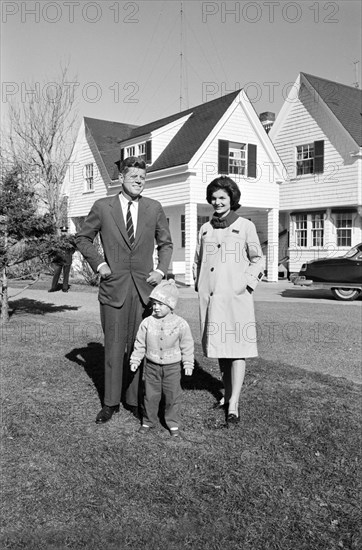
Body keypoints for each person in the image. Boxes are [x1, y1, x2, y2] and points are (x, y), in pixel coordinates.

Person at [75, 156, 173, 424]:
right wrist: (100, 264)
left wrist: (161, 271)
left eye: (143, 178)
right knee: (115, 347)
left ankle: (134, 401)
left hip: (145, 289)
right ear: (121, 178)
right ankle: (110, 403)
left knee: (140, 346)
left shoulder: (154, 208)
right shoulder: (103, 207)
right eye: (134, 177)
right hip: (114, 288)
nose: (139, 181)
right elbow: (83, 237)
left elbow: (166, 243)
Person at [193, 176, 264, 424]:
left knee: (238, 349)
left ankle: (234, 402)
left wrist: (245, 284)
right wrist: (198, 284)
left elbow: (258, 258)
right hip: (212, 297)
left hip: (236, 297)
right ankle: (226, 395)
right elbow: (198, 260)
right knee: (221, 349)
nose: (217, 202)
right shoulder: (205, 228)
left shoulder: (245, 226)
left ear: (232, 198)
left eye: (222, 197)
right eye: (213, 198)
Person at [130, 279, 194, 437]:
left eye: (160, 304)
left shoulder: (181, 324)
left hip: (172, 368)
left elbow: (187, 345)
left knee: (173, 396)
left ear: (171, 305)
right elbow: (140, 344)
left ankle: (172, 422)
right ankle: (148, 420)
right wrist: (135, 360)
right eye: (154, 303)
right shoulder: (147, 323)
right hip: (152, 366)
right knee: (150, 396)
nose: (156, 307)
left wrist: (188, 363)